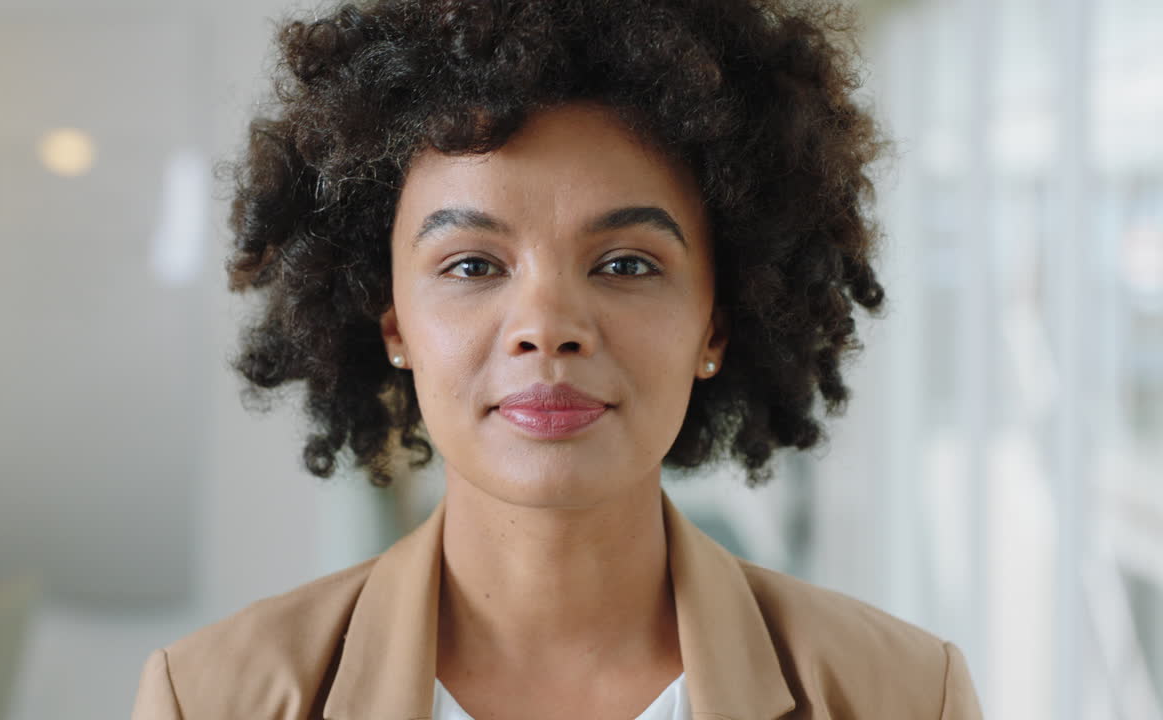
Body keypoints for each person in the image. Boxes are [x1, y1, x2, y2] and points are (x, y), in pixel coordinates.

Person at [132, 0, 984, 718]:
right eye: (472, 265)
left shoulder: (904, 695)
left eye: (625, 265)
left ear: (716, 326)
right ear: (391, 322)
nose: (547, 327)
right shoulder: (209, 699)